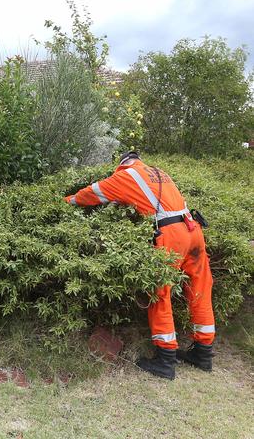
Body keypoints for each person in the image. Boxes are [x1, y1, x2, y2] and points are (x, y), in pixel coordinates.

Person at [64, 151, 215, 380]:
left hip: (171, 235)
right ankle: (203, 354)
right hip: (192, 229)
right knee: (200, 289)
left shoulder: (126, 176)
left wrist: (66, 202)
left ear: (122, 165)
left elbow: (92, 193)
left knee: (159, 292)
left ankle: (165, 360)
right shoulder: (158, 172)